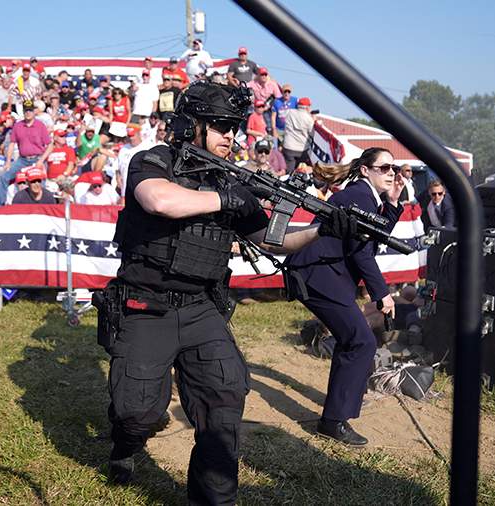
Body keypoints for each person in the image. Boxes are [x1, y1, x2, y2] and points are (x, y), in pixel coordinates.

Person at [101, 81, 355, 503]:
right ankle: (126, 444)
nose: (230, 137)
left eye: (234, 128)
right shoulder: (153, 160)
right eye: (220, 127)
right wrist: (225, 198)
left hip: (202, 309)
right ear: (191, 125)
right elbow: (159, 201)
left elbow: (274, 241)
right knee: (137, 412)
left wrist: (321, 230)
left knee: (224, 401)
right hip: (146, 305)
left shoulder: (232, 181)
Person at [285, 147, 405, 447]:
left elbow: (374, 235)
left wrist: (392, 203)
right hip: (319, 277)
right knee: (360, 340)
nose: (392, 172)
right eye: (385, 167)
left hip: (323, 276)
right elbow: (362, 251)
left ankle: (346, 399)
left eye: (395, 167)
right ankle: (334, 420)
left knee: (355, 339)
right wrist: (382, 294)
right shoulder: (359, 196)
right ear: (365, 170)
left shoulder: (364, 196)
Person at [0, 101, 51, 204]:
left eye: (30, 110)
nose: (28, 112)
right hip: (22, 160)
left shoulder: (40, 125)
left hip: (37, 158)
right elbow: (12, 144)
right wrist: (8, 161)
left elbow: (50, 145)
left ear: (34, 111)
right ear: (23, 111)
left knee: (41, 182)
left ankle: (43, 208)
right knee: (2, 176)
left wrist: (41, 160)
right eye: (26, 110)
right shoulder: (18, 126)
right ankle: (2, 205)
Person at [282, 97, 315, 172]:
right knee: (299, 171)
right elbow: (312, 134)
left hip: (288, 146)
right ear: (307, 107)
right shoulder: (309, 119)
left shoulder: (290, 112)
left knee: (289, 170)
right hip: (302, 149)